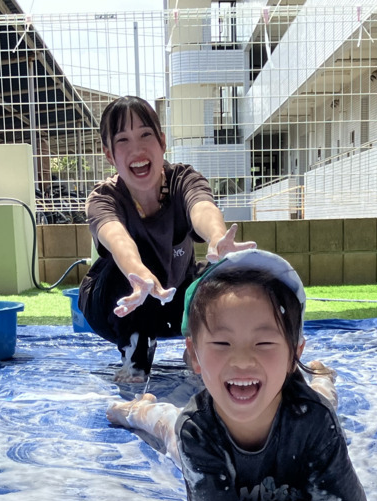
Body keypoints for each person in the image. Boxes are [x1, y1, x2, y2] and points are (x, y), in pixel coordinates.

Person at [105, 249, 372, 501]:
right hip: (206, 429)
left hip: (299, 404)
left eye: (263, 344)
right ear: (195, 356)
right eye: (221, 344)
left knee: (324, 401)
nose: (242, 361)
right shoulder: (197, 430)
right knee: (167, 425)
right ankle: (137, 408)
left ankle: (322, 378)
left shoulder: (314, 420)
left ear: (293, 354)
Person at [79, 95, 255, 382]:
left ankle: (198, 346)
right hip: (119, 303)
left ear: (161, 142)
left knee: (216, 278)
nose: (136, 149)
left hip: (173, 301)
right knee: (133, 271)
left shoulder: (182, 179)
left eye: (145, 135)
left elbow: (201, 206)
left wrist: (217, 237)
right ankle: (135, 354)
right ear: (109, 154)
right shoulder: (104, 198)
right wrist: (138, 273)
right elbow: (117, 238)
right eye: (123, 140)